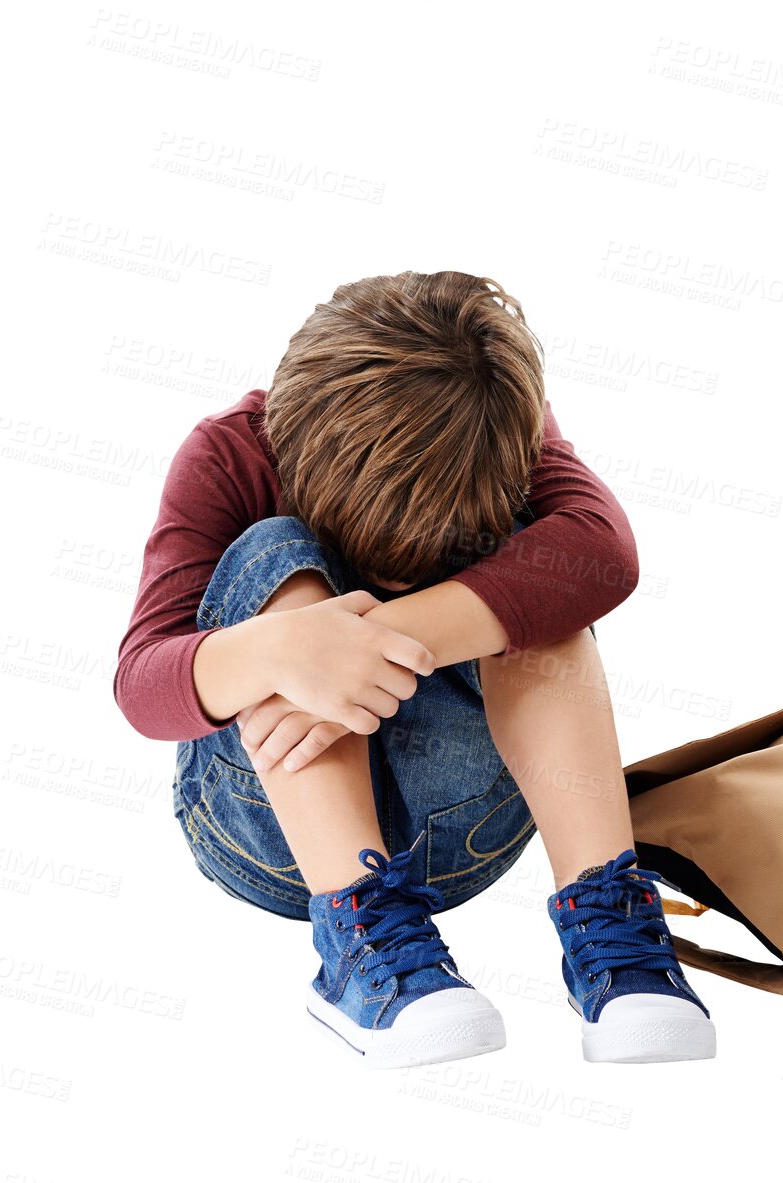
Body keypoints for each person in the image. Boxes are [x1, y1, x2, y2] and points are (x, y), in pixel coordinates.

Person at [115, 271, 714, 1067]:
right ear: (288, 438)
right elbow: (141, 684)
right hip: (273, 838)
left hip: (474, 829)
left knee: (548, 583)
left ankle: (609, 922)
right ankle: (360, 940)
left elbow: (608, 553)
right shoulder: (232, 451)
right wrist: (285, 650)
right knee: (273, 555)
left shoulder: (494, 421)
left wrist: (373, 640)